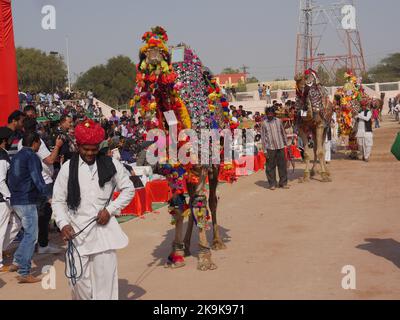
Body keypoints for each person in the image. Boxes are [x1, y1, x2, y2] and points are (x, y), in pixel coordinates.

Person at [52, 119, 135, 300]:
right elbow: (58, 201)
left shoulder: (111, 164)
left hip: (104, 235)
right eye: (86, 149)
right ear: (78, 146)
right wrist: (63, 224)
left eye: (94, 149)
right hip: (77, 235)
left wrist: (110, 210)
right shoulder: (67, 169)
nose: (90, 153)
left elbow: (129, 189)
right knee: (78, 283)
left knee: (106, 286)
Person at [18, 118, 64, 254]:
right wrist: (57, 146)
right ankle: (42, 245)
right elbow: (49, 159)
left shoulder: (22, 142)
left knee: (35, 216)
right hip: (43, 182)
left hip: (31, 183)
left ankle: (36, 244)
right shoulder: (37, 142)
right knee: (44, 214)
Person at [8, 132, 49, 283]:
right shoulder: (32, 156)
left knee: (27, 234)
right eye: (39, 143)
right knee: (32, 235)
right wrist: (47, 195)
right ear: (36, 142)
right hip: (27, 200)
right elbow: (37, 178)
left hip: (16, 199)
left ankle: (17, 261)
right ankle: (24, 272)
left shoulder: (17, 156)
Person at [0, 127, 22, 272]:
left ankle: (1, 249)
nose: (11, 141)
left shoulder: (3, 153)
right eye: (9, 139)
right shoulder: (1, 156)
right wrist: (9, 197)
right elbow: (0, 180)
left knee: (17, 223)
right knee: (1, 229)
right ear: (4, 140)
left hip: (5, 198)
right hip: (3, 199)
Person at [261, 107, 289, 190]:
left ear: (273, 114)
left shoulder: (279, 121)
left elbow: (283, 133)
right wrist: (264, 150)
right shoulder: (264, 123)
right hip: (270, 148)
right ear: (266, 114)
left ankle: (283, 183)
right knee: (270, 167)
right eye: (268, 113)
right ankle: (272, 184)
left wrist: (286, 145)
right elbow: (263, 137)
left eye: (271, 113)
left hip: (280, 146)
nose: (270, 115)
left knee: (282, 166)